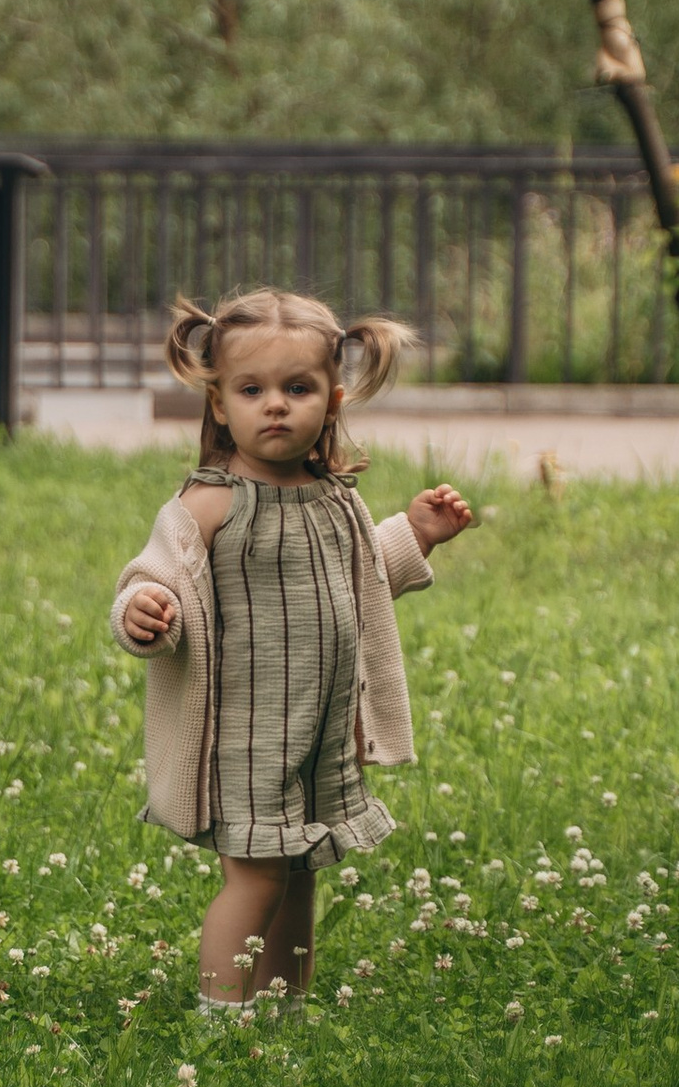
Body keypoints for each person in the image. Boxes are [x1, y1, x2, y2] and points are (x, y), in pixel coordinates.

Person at [112, 286, 474, 1011]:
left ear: (333, 400)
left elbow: (359, 577)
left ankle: (286, 1001)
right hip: (246, 735)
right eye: (252, 389)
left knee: (302, 866)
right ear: (219, 405)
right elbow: (156, 575)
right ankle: (222, 1017)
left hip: (318, 730)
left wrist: (418, 534)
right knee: (257, 877)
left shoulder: (334, 496)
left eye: (297, 388)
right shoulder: (209, 505)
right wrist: (143, 611)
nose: (275, 405)